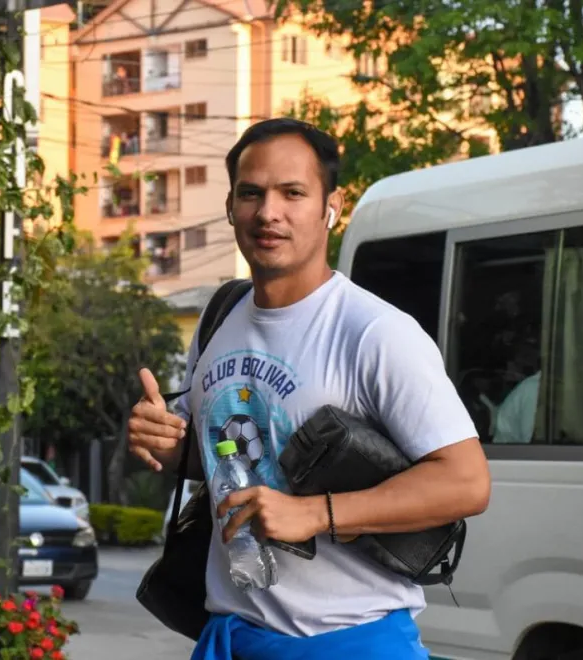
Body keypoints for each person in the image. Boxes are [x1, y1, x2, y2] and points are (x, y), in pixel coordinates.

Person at [128, 118, 491, 659]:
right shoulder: (219, 316)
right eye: (251, 193)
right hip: (233, 636)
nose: (268, 212)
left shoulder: (374, 332)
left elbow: (466, 482)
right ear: (230, 206)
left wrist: (317, 513)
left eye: (292, 193)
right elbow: (233, 460)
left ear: (331, 208)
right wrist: (171, 445)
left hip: (349, 643)